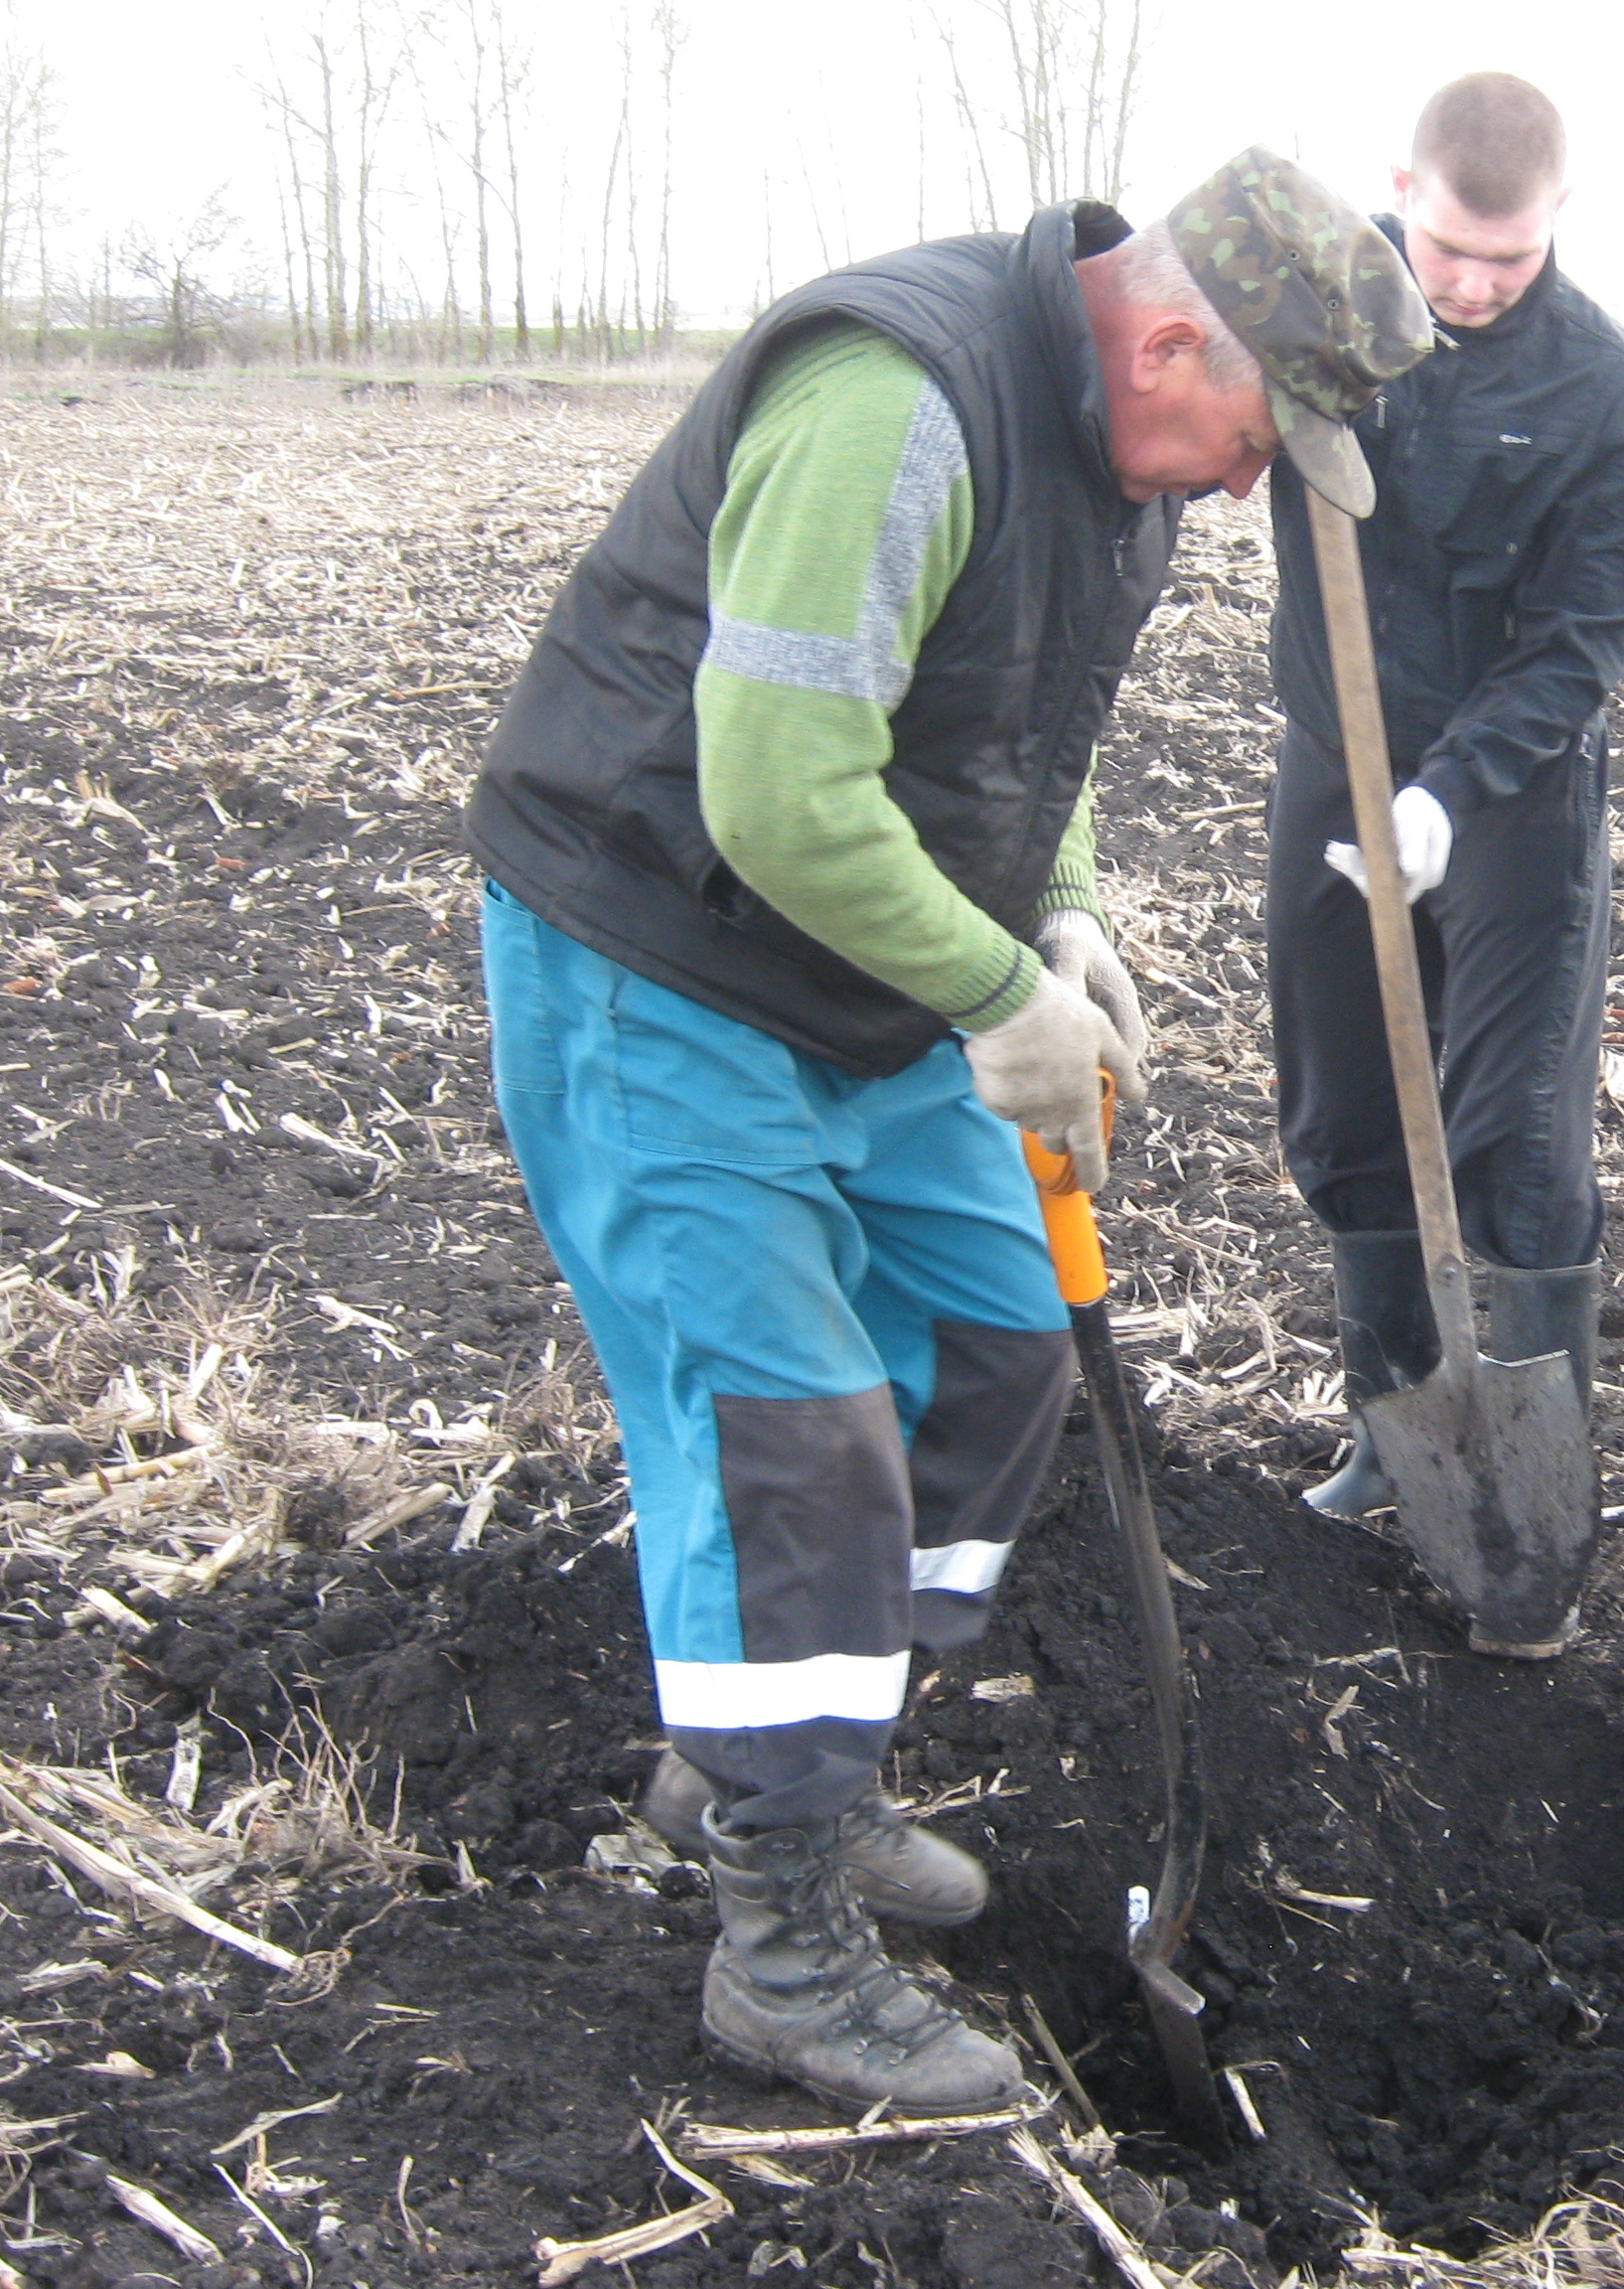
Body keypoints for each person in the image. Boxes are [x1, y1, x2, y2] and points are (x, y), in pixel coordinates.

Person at [464, 152, 1429, 2111]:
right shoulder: (892, 406)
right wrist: (1001, 998)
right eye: (1259, 439)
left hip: (867, 963)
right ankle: (787, 1947)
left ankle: (776, 1766)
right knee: (794, 1437)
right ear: (1170, 340)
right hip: (667, 951)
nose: (1250, 487)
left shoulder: (1122, 454)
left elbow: (1021, 736)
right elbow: (780, 796)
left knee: (998, 1344)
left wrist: (1058, 910)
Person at [1260, 74, 1624, 1543]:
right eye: (1447, 251)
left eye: (1509, 257)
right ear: (1400, 190)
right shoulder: (1319, 317)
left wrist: (1454, 790)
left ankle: (1530, 1471)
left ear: (1559, 218)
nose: (1475, 284)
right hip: (1337, 757)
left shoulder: (1609, 390)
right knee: (1346, 1109)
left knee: (1513, 1137)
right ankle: (1394, 1435)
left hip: (1511, 796)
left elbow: (1588, 633)